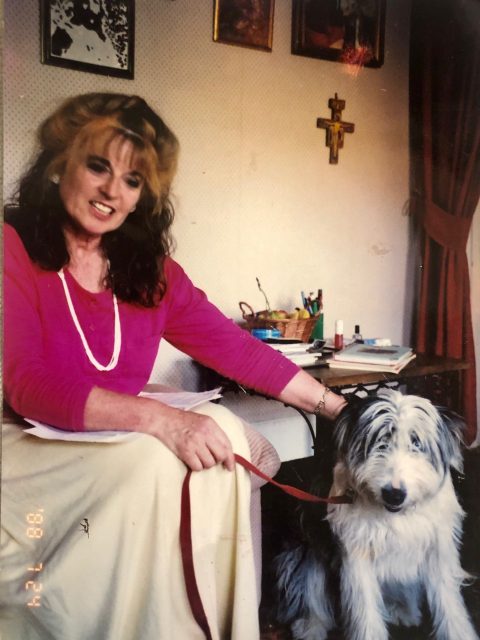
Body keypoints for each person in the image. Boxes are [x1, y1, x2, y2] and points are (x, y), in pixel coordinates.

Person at [1, 93, 346, 640]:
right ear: (57, 164)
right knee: (155, 459)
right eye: (98, 166)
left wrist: (337, 409)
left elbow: (239, 351)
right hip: (29, 444)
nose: (113, 192)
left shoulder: (153, 274)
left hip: (110, 437)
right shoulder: (10, 249)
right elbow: (26, 385)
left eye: (133, 179)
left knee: (228, 438)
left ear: (145, 196)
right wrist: (160, 419)